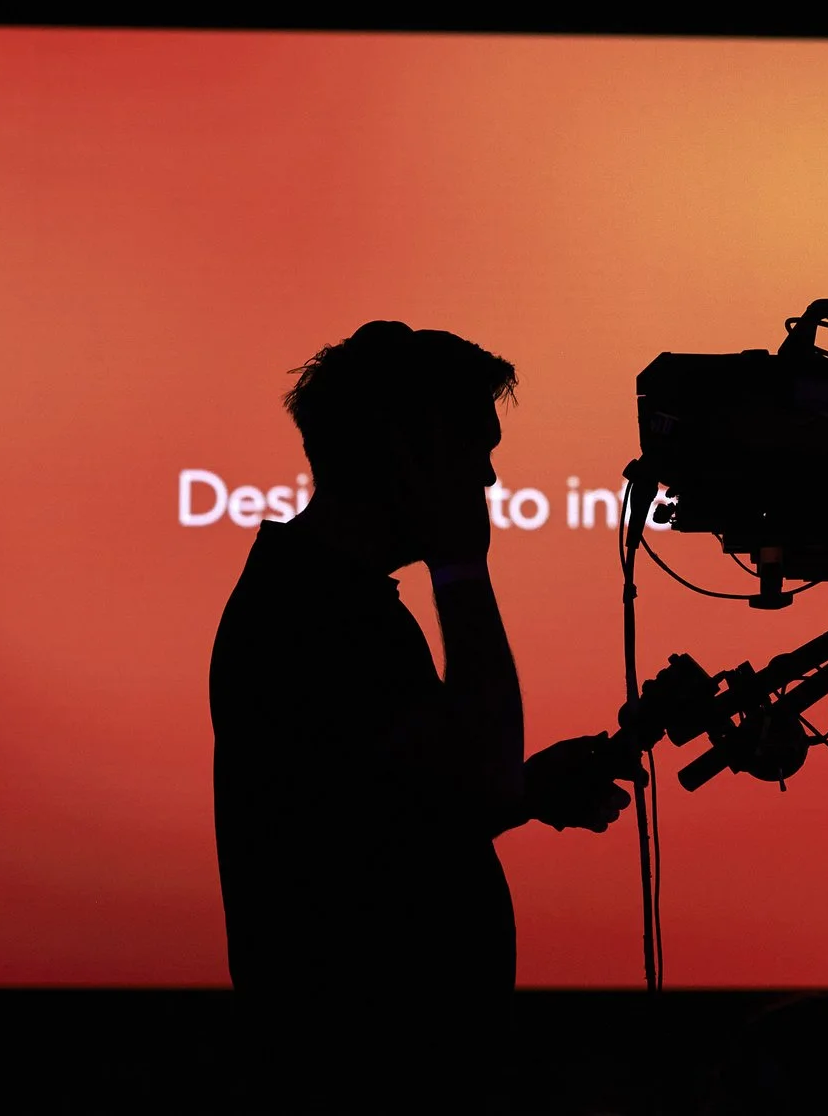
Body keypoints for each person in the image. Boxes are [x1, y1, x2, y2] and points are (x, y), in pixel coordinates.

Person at [210, 321, 634, 1113]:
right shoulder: (314, 618)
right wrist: (462, 567)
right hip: (373, 1071)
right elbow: (468, 780)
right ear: (406, 452)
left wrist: (526, 792)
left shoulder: (326, 601)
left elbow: (397, 813)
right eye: (474, 449)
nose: (488, 478)